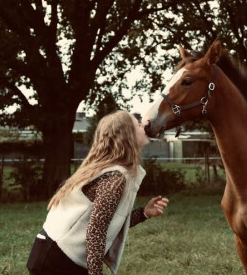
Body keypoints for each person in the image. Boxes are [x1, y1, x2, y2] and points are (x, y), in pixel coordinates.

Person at [27, 110, 169, 275]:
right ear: (127, 135)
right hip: (57, 257)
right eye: (138, 124)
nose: (144, 125)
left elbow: (106, 222)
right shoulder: (114, 178)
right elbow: (96, 233)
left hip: (52, 251)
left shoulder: (115, 171)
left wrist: (144, 213)